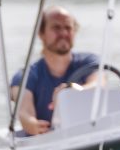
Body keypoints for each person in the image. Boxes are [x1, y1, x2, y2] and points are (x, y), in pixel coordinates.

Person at [10, 7, 99, 135]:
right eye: (56, 28)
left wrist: (73, 91)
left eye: (68, 28)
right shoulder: (25, 76)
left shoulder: (90, 62)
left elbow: (99, 83)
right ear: (41, 33)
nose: (63, 33)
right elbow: (25, 112)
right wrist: (34, 125)